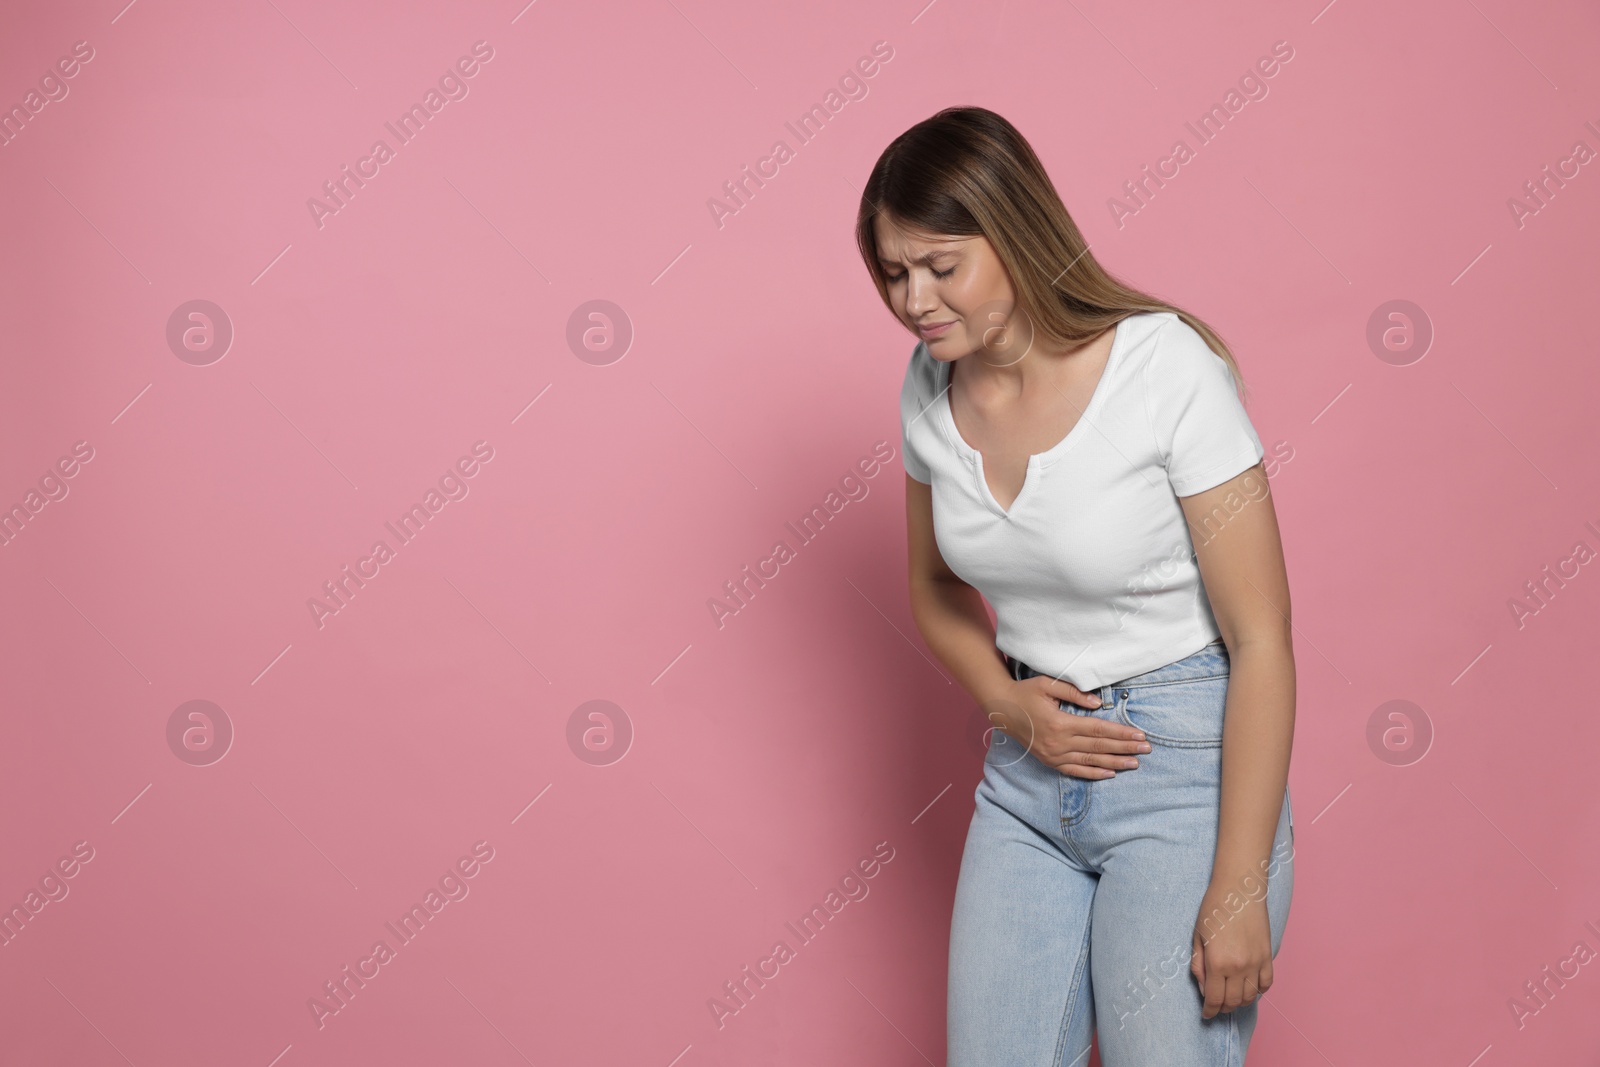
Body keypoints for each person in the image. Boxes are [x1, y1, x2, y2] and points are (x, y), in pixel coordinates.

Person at [856, 106, 1296, 1066]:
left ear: (1013, 234)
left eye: (941, 265)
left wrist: (1237, 883)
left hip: (1183, 768)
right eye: (893, 272)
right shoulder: (928, 384)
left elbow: (1262, 640)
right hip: (1025, 779)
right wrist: (1004, 704)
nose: (914, 299)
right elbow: (932, 584)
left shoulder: (1163, 365)